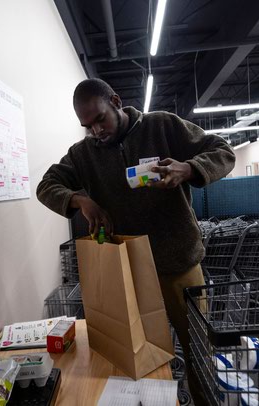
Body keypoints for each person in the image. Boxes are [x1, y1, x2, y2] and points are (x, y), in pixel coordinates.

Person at [37, 78, 235, 405]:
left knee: (198, 348)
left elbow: (223, 152)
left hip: (179, 263)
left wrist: (188, 168)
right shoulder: (83, 155)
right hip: (129, 270)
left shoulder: (163, 126)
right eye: (87, 126)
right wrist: (81, 201)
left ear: (115, 100)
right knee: (140, 359)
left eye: (100, 119)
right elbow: (46, 186)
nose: (96, 130)